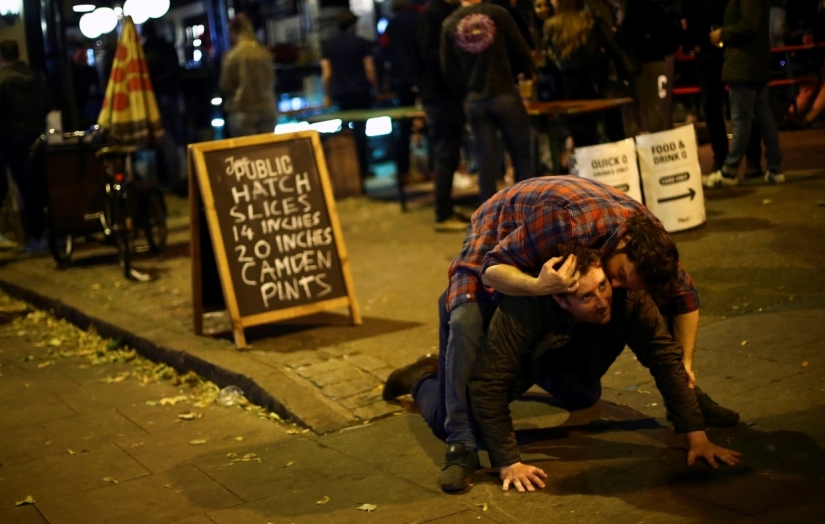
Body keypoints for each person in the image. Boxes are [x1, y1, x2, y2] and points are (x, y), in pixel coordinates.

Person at [382, 176, 738, 492]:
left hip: (557, 261)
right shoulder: (563, 228)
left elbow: (683, 300)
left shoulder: (646, 242)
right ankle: (450, 422)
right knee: (464, 320)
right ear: (620, 250)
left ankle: (689, 399)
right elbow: (491, 269)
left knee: (583, 392)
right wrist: (508, 460)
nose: (615, 289)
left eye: (609, 284)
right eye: (619, 277)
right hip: (497, 227)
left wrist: (691, 402)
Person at [441, 0, 535, 203]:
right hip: (505, 93)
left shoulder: (449, 23)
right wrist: (522, 72)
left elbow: (448, 68)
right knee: (521, 156)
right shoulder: (498, 13)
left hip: (476, 100)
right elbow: (520, 49)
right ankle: (529, 210)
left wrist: (465, 91)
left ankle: (489, 219)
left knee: (486, 162)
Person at [703, 0, 785, 187]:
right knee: (764, 119)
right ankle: (775, 167)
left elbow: (749, 25)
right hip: (754, 64)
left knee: (742, 121)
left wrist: (722, 33)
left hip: (743, 65)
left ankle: (729, 172)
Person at [417, 0, 472, 231]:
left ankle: (447, 208)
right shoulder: (433, 15)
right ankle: (443, 213)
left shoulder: (443, 13)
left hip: (444, 93)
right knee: (445, 152)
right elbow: (430, 53)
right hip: (440, 94)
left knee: (448, 152)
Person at [543, 0, 626, 147]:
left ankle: (588, 163)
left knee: (582, 132)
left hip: (569, 82)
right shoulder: (590, 18)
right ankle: (618, 161)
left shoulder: (551, 25)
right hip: (597, 79)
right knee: (612, 125)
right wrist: (622, 74)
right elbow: (612, 47)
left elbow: (550, 59)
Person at [0, 39, 49, 253]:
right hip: (38, 137)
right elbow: (48, 102)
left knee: (24, 189)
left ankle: (34, 237)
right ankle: (45, 233)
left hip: (12, 139)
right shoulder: (36, 75)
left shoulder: (2, 79)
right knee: (41, 185)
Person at [321, 10, 378, 184]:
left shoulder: (329, 45)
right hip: (360, 92)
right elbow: (369, 69)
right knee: (361, 131)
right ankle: (363, 168)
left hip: (341, 92)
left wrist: (328, 95)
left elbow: (327, 73)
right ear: (353, 25)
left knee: (345, 131)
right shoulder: (361, 43)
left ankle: (348, 170)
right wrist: (375, 88)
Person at [219, 14, 277, 138]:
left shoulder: (232, 56)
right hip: (268, 109)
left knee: (247, 154)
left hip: (243, 111)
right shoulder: (264, 52)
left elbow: (226, 85)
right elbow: (272, 80)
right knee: (267, 151)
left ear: (235, 31)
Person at [383, 0, 422, 187]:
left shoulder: (390, 26)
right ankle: (432, 169)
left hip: (401, 80)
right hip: (424, 77)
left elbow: (385, 53)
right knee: (434, 125)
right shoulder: (419, 19)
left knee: (404, 126)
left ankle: (404, 172)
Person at [142, 21, 183, 192]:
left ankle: (172, 180)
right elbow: (177, 70)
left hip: (157, 98)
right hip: (173, 96)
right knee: (178, 136)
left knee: (165, 139)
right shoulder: (167, 47)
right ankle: (182, 177)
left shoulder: (145, 51)